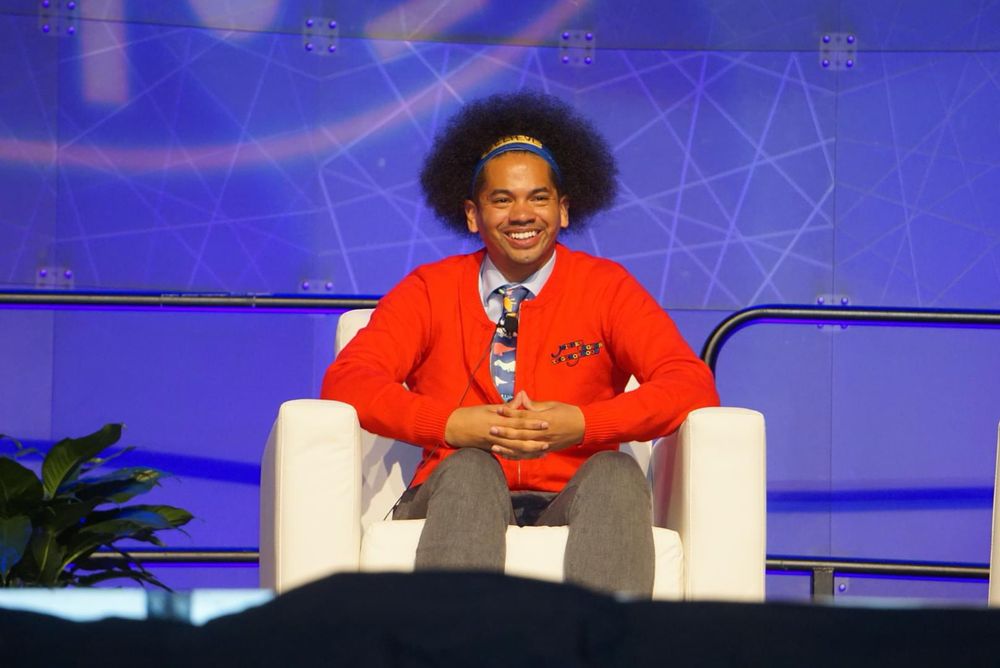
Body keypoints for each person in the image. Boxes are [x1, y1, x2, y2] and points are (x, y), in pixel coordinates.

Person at [321, 91, 719, 598]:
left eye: (538, 197)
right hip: (452, 489)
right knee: (470, 467)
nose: (522, 214)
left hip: (568, 496)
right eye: (502, 199)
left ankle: (603, 651)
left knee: (617, 471)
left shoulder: (606, 286)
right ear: (472, 215)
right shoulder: (430, 288)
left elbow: (690, 384)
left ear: (563, 209)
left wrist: (585, 424)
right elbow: (348, 381)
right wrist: (448, 424)